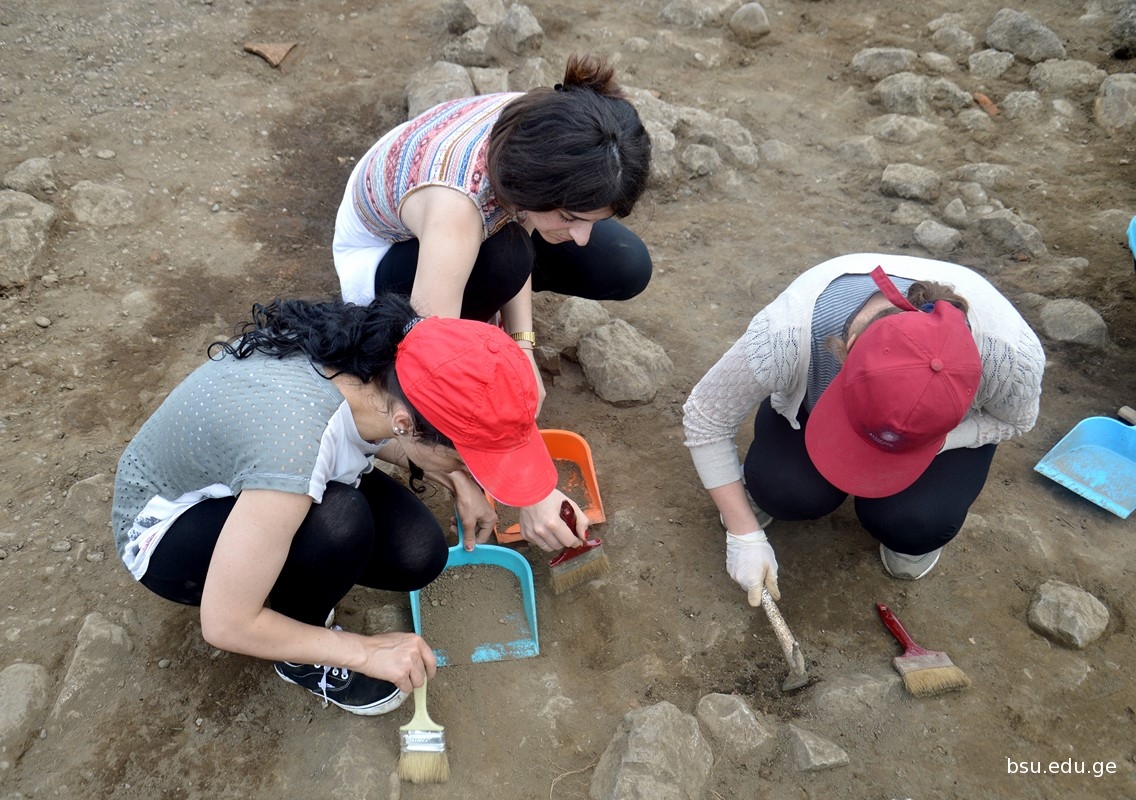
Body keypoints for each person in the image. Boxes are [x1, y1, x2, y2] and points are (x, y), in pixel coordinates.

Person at [111, 294, 592, 716]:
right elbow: (225, 624)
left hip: (263, 477)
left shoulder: (383, 364)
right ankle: (299, 657)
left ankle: (295, 586)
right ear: (406, 423)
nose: (479, 472)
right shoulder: (295, 446)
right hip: (166, 532)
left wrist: (456, 475)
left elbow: (368, 432)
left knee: (417, 553)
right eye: (467, 455)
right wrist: (364, 652)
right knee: (340, 522)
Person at [682, 253, 1045, 606]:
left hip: (936, 440)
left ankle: (911, 525)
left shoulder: (1012, 358)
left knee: (918, 522)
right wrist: (743, 532)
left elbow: (1016, 421)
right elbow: (706, 416)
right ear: (849, 346)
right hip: (815, 403)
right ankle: (761, 492)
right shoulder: (787, 333)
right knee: (782, 489)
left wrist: (942, 441)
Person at [332, 52, 653, 415]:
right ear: (533, 190)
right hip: (384, 254)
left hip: (469, 217)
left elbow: (520, 223)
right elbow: (429, 349)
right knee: (504, 260)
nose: (582, 237)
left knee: (625, 263)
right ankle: (476, 308)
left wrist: (522, 347)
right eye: (570, 217)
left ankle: (488, 299)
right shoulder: (457, 205)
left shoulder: (548, 127)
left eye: (591, 219)